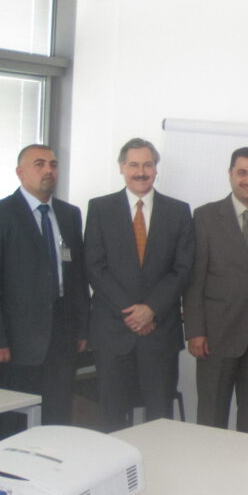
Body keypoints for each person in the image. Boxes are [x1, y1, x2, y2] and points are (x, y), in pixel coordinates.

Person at [0, 144, 90, 429]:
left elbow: (78, 278)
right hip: (16, 342)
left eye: (53, 164)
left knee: (57, 417)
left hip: (62, 337)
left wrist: (82, 329)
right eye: (39, 164)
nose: (48, 170)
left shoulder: (69, 214)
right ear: (20, 172)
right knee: (15, 422)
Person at [84, 138, 194, 432]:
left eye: (148, 165)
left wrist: (151, 309)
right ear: (122, 167)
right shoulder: (100, 208)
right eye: (134, 165)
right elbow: (95, 268)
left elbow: (182, 269)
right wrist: (132, 313)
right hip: (113, 333)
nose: (141, 172)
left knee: (159, 418)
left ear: (156, 169)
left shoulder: (179, 211)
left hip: (159, 333)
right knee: (111, 418)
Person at [183, 147, 248, 432]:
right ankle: (208, 461)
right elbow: (195, 278)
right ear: (230, 174)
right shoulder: (205, 216)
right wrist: (195, 330)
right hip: (216, 335)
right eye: (242, 173)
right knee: (211, 415)